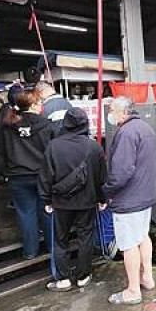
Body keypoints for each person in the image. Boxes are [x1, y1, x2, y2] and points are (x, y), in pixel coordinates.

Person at [41, 108, 107, 292]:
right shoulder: (94, 147)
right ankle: (83, 276)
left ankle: (62, 279)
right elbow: (102, 177)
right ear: (85, 123)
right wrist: (102, 199)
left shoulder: (53, 146)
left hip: (61, 202)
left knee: (60, 239)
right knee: (85, 237)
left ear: (66, 123)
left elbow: (46, 176)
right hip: (87, 202)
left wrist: (47, 200)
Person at [103, 97, 156, 305]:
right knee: (142, 236)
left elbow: (121, 172)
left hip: (128, 199)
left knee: (128, 244)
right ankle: (147, 278)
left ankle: (133, 290)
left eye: (112, 110)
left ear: (124, 113)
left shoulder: (126, 133)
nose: (110, 114)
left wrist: (107, 191)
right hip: (145, 196)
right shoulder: (145, 128)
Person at [0, 91, 56, 259]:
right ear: (34, 105)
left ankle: (30, 251)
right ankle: (52, 248)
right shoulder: (46, 124)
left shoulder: (7, 124)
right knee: (47, 211)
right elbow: (53, 152)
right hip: (42, 176)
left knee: (25, 213)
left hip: (17, 176)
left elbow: (0, 151)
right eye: (39, 102)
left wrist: (3, 173)